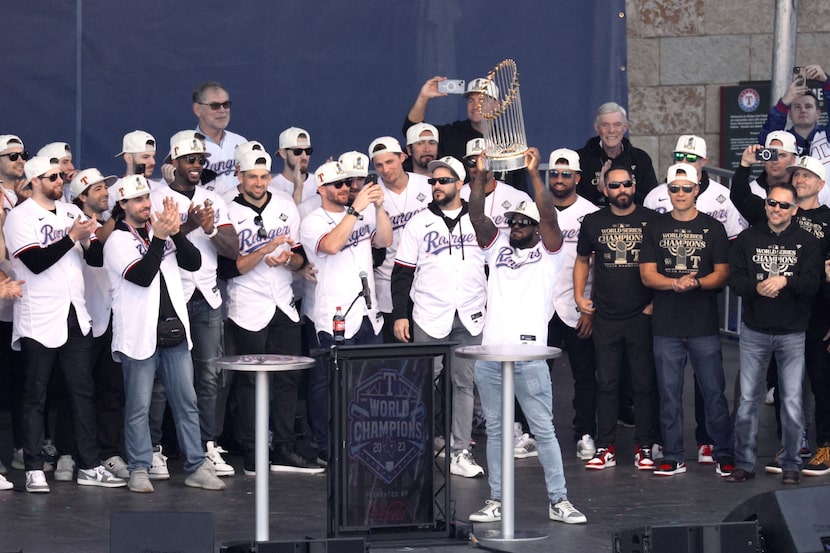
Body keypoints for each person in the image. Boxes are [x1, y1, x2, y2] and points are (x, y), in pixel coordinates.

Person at [467, 148, 587, 525]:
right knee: (498, 432)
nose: (515, 225)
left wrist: (535, 175)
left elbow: (548, 213)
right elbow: (475, 215)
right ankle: (497, 500)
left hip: (531, 355)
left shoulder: (550, 253)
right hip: (491, 355)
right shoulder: (497, 247)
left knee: (544, 430)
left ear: (536, 227)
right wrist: (480, 177)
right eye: (513, 221)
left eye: (523, 222)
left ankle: (559, 500)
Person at [5, 156, 125, 492]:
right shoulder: (19, 217)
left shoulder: (73, 213)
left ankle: (88, 464)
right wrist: (72, 236)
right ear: (34, 181)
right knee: (35, 394)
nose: (60, 181)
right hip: (39, 315)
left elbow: (94, 259)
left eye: (60, 176)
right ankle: (33, 467)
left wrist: (91, 239)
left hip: (76, 314)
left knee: (82, 391)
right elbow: (35, 261)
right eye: (52, 177)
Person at [104, 174, 226, 493]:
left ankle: (196, 465)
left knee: (186, 402)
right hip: (139, 335)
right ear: (123, 205)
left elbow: (194, 262)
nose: (146, 205)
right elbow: (143, 276)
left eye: (147, 198)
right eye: (138, 201)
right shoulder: (117, 240)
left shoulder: (159, 230)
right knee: (139, 406)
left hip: (173, 331)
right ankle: (140, 468)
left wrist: (176, 234)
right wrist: (160, 238)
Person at [218, 149, 322, 475]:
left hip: (283, 301)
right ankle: (253, 452)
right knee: (249, 383)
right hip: (247, 303)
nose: (260, 183)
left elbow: (300, 258)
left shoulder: (284, 204)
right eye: (253, 177)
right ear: (240, 176)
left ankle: (284, 449)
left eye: (264, 176)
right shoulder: (227, 206)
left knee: (288, 378)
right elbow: (228, 269)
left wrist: (288, 260)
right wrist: (263, 252)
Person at [391, 156, 486, 479]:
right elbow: (402, 273)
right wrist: (400, 316)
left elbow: (493, 267)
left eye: (444, 180)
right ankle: (420, 445)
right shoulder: (418, 222)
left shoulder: (478, 219)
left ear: (460, 183)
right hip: (429, 313)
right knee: (422, 383)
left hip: (470, 313)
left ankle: (460, 450)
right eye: (433, 181)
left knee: (464, 384)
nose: (437, 186)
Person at [150, 135, 239, 478]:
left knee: (209, 375)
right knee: (162, 378)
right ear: (176, 160)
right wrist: (190, 224)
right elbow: (156, 243)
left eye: (200, 160)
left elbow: (232, 249)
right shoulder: (158, 198)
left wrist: (211, 226)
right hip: (170, 296)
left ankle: (206, 444)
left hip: (206, 296)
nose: (196, 166)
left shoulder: (212, 199)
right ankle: (155, 448)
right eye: (190, 159)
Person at [639, 163, 735, 477]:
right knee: (668, 394)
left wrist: (696, 283)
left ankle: (723, 453)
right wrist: (674, 284)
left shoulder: (714, 227)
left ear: (697, 190)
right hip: (666, 325)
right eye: (674, 188)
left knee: (713, 392)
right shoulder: (654, 226)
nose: (680, 193)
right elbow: (647, 274)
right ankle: (673, 454)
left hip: (703, 324)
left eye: (686, 188)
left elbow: (722, 273)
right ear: (668, 191)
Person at [725, 181, 822, 485]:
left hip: (793, 332)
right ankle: (744, 463)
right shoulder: (747, 238)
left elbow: (812, 284)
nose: (776, 209)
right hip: (754, 330)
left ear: (794, 209)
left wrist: (785, 282)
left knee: (792, 401)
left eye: (783, 205)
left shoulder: (808, 242)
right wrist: (756, 287)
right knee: (747, 401)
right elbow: (735, 280)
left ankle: (792, 463)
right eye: (771, 203)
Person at [299, 160, 392, 463]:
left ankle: (362, 440)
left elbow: (385, 240)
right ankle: (326, 446)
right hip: (333, 313)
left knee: (368, 383)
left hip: (367, 311)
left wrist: (377, 208)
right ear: (322, 189)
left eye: (347, 184)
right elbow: (331, 246)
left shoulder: (361, 213)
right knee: (328, 384)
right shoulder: (313, 220)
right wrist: (355, 211)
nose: (345, 189)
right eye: (338, 185)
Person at [574, 163, 661, 471]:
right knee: (607, 384)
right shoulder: (593, 221)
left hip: (642, 314)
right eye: (614, 186)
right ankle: (604, 446)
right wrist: (579, 297)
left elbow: (664, 266)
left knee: (644, 384)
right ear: (604, 189)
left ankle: (646, 446)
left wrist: (655, 302)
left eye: (626, 184)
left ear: (634, 186)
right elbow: (582, 260)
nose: (621, 190)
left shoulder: (653, 220)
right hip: (606, 315)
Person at [69, 168, 131, 479]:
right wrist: (115, 218)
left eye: (105, 188)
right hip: (80, 316)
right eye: (96, 189)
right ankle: (71, 453)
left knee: (111, 389)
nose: (104, 193)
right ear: (82, 196)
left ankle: (109, 452)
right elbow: (97, 253)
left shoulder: (115, 226)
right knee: (76, 389)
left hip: (111, 315)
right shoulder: (73, 222)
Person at [543, 148, 600, 461]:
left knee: (585, 375)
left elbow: (596, 265)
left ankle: (585, 433)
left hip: (578, 306)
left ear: (577, 177)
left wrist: (589, 307)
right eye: (554, 173)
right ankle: (529, 432)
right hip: (541, 307)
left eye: (566, 174)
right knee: (536, 376)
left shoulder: (590, 213)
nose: (560, 179)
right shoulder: (536, 209)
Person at [370, 136, 431, 343]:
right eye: (379, 165)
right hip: (389, 280)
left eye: (390, 162)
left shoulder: (427, 184)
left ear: (403, 157)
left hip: (428, 278)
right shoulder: (370, 195)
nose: (385, 169)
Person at [644, 135, 747, 239]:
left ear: (703, 161)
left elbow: (733, 238)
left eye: (691, 158)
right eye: (679, 156)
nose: (684, 162)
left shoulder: (724, 195)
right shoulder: (654, 196)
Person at [576, 102, 658, 207]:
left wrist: (624, 189)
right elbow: (573, 205)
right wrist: (598, 189)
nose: (611, 130)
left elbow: (650, 200)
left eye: (617, 124)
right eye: (605, 125)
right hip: (593, 221)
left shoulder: (640, 159)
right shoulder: (580, 159)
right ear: (597, 128)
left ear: (625, 127)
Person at [459, 138, 531, 230]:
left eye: (484, 161)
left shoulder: (518, 197)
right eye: (472, 162)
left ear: (494, 162)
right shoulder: (457, 196)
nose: (479, 167)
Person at [758, 64, 830, 155]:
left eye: (808, 106)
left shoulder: (827, 136)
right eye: (797, 107)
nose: (803, 110)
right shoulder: (781, 140)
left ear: (818, 113)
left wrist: (826, 81)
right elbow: (765, 143)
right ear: (789, 114)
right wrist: (784, 103)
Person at [192, 81, 247, 197]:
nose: (222, 110)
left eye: (226, 104)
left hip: (240, 210)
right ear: (198, 109)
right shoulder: (185, 145)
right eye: (215, 106)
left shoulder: (241, 142)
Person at [270, 127, 316, 204]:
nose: (304, 156)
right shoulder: (273, 187)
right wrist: (297, 189)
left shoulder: (318, 182)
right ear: (283, 153)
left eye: (308, 151)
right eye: (298, 151)